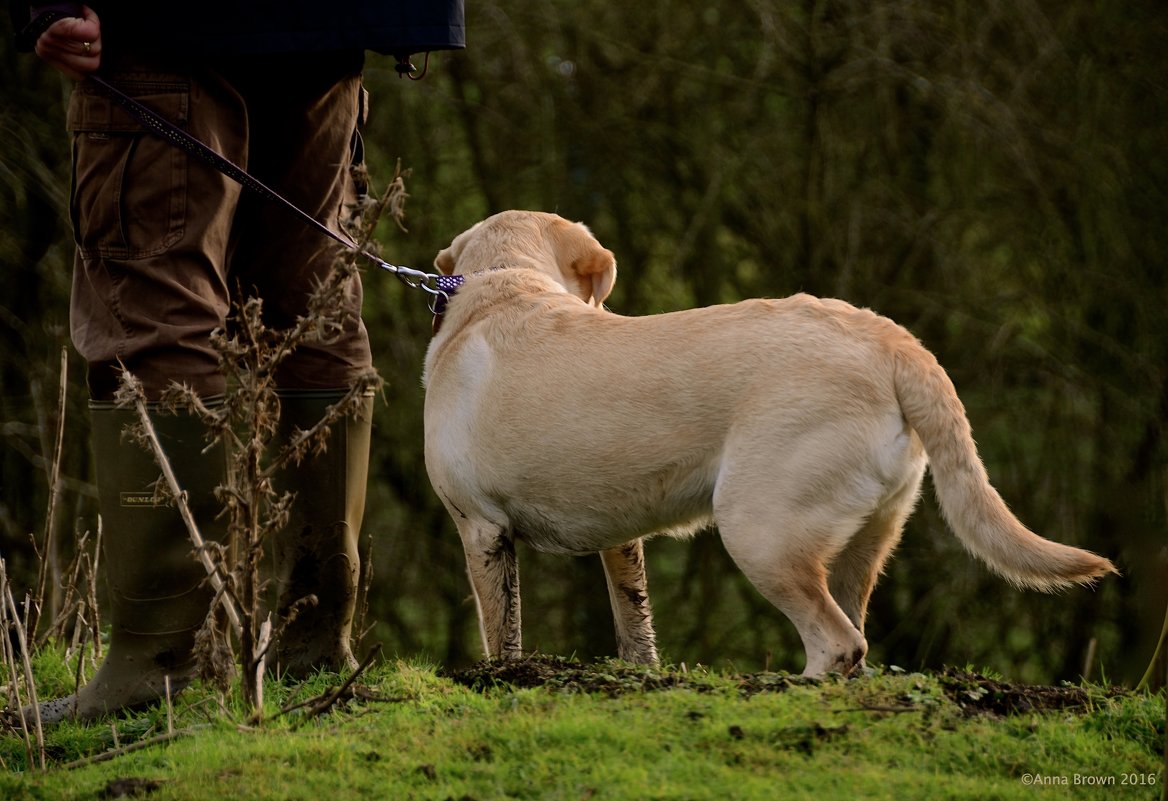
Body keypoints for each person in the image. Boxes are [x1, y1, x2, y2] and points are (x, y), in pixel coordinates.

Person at [10, 2, 465, 723]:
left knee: (155, 308)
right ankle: (314, 643)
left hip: (162, 25)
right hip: (332, 25)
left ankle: (156, 666)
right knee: (317, 307)